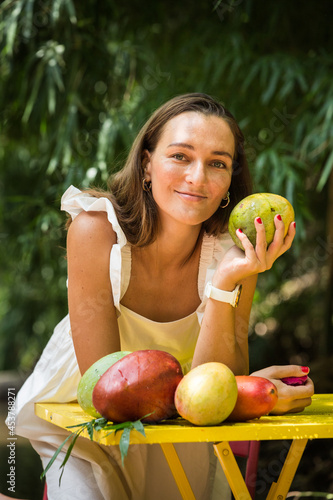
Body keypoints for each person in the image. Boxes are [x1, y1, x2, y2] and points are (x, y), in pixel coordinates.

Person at [9, 93, 314, 500]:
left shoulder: (234, 252)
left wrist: (225, 284)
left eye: (218, 163)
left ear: (229, 183)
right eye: (180, 156)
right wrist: (248, 394)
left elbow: (217, 380)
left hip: (180, 426)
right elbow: (107, 389)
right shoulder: (96, 231)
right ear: (147, 163)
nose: (197, 177)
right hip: (88, 421)